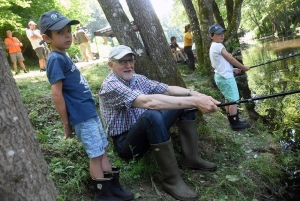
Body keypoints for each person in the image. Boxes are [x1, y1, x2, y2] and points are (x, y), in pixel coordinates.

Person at [99, 45, 220, 201]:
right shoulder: (111, 85)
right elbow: (149, 102)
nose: (128, 66)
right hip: (126, 144)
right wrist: (196, 101)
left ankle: (191, 158)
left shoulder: (138, 78)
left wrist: (194, 94)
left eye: (130, 60)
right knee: (152, 115)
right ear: (111, 65)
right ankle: (171, 180)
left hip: (146, 129)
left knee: (184, 104)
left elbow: (167, 89)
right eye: (122, 62)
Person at [38, 11, 134, 201]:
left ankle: (113, 187)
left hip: (89, 112)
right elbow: (57, 94)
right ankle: (103, 194)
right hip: (81, 115)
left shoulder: (63, 56)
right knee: (95, 154)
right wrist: (66, 123)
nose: (67, 35)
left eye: (68, 30)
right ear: (47, 38)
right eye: (60, 32)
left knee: (102, 149)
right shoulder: (55, 59)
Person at [209, 23, 251, 130]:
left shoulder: (213, 47)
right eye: (218, 34)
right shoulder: (218, 46)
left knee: (228, 99)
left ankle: (232, 121)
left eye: (222, 33)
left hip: (220, 76)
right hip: (226, 78)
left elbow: (220, 64)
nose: (221, 35)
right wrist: (243, 67)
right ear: (211, 36)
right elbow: (230, 59)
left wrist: (232, 69)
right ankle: (236, 124)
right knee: (234, 100)